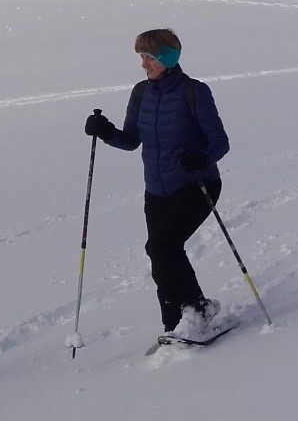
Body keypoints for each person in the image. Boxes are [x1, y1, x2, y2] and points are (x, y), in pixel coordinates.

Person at [84, 29, 232, 340]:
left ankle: (198, 309)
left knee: (162, 247)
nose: (143, 63)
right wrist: (105, 131)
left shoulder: (195, 92)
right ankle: (174, 325)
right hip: (156, 190)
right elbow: (131, 141)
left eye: (149, 57)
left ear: (167, 58)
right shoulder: (141, 93)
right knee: (161, 255)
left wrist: (200, 158)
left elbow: (219, 143)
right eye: (141, 56)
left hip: (196, 185)